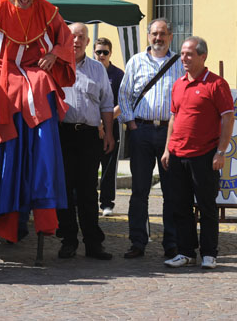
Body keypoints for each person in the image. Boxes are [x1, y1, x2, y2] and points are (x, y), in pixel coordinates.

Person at [0, 0, 75, 243]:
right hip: (5, 70)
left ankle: (42, 200)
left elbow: (66, 39)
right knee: (6, 95)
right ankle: (6, 212)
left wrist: (54, 54)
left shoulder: (48, 11)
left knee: (42, 87)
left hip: (35, 70)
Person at [162, 36, 234, 270]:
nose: (184, 58)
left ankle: (209, 253)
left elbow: (228, 118)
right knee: (180, 206)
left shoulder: (216, 84)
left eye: (189, 54)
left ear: (203, 56)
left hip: (204, 155)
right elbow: (174, 118)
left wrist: (221, 152)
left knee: (207, 206)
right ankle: (186, 252)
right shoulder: (179, 83)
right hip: (177, 154)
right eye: (182, 53)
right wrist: (167, 149)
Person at [118, 18, 183, 260]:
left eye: (163, 34)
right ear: (148, 36)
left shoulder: (180, 63)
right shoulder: (136, 61)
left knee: (172, 192)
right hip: (142, 132)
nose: (158, 38)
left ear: (171, 37)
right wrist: (131, 123)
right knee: (139, 191)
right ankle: (137, 242)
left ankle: (172, 243)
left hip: (170, 134)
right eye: (154, 34)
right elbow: (124, 94)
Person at [57, 23, 115, 260]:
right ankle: (68, 240)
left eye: (81, 37)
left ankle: (93, 243)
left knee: (89, 191)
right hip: (63, 134)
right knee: (65, 190)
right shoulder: (57, 65)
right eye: (72, 36)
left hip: (90, 135)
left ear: (88, 42)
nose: (76, 40)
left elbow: (106, 104)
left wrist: (109, 133)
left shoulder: (97, 69)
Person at [93, 37, 124, 217]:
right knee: (88, 165)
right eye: (99, 52)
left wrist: (105, 122)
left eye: (105, 52)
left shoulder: (118, 75)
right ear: (94, 52)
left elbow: (122, 103)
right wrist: (96, 123)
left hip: (111, 126)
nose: (102, 55)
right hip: (91, 126)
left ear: (110, 53)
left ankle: (106, 203)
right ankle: (82, 200)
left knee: (109, 166)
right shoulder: (89, 71)